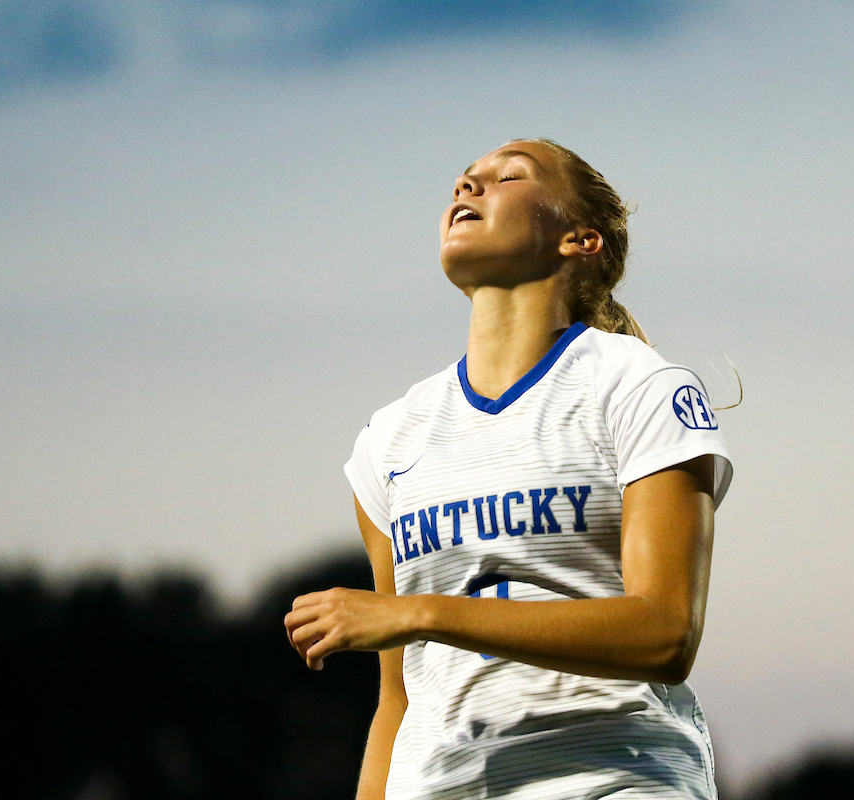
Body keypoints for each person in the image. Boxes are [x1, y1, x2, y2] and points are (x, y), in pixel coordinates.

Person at [284, 139, 733, 799]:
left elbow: (665, 634)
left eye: (509, 176)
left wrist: (422, 613)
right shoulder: (389, 439)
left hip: (610, 779)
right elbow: (399, 700)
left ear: (579, 239)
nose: (467, 188)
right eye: (465, 180)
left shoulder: (637, 387)